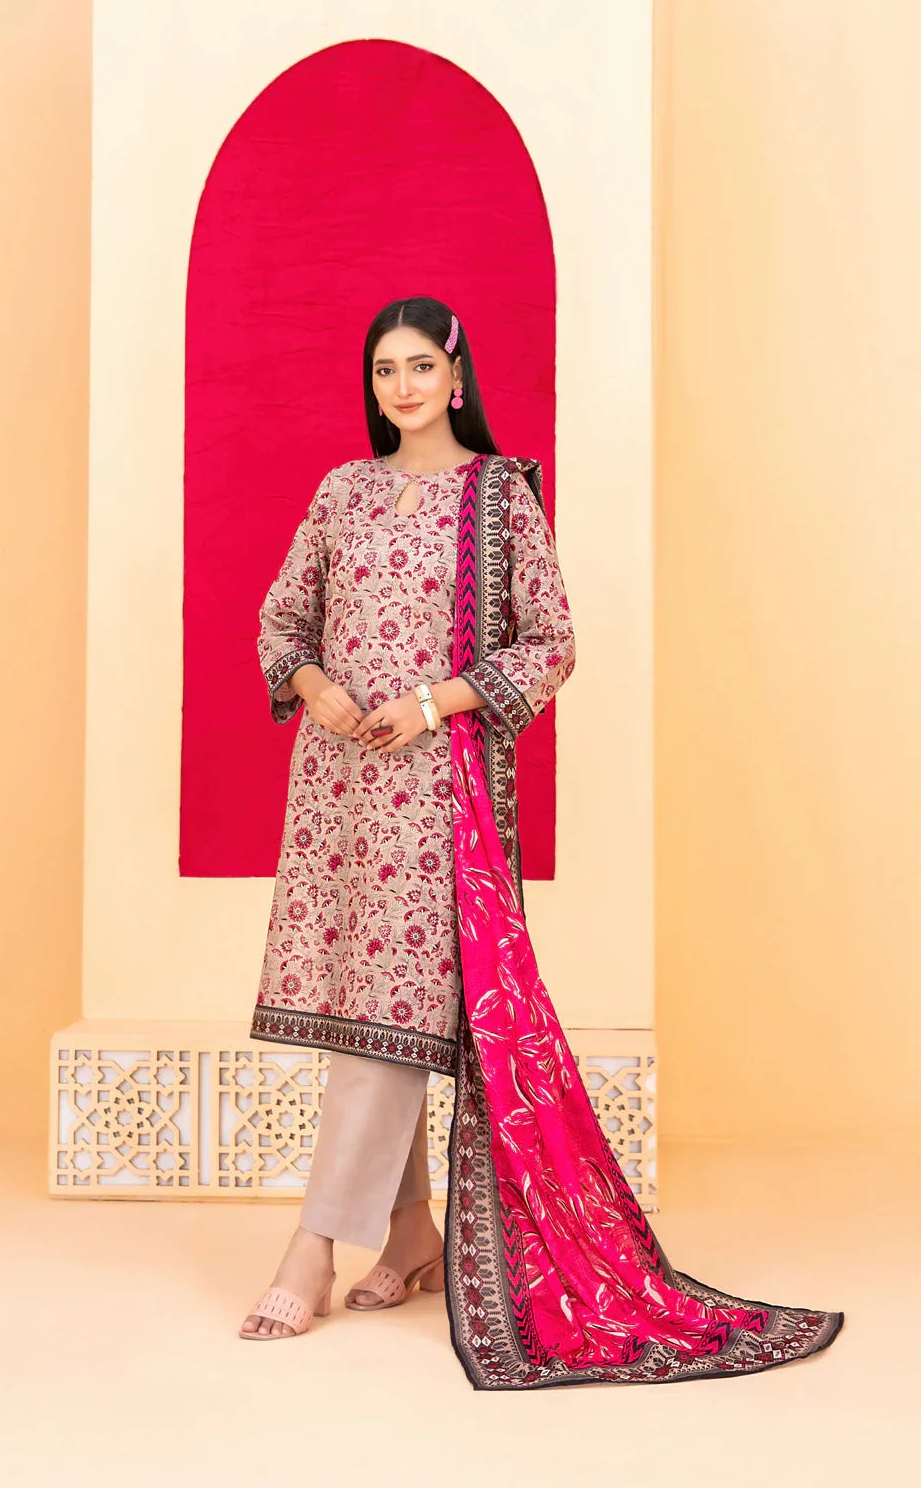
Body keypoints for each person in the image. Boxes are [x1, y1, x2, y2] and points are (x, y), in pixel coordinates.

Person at [239, 297, 844, 1389]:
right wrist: (314, 684)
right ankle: (411, 1234)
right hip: (339, 795)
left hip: (440, 795)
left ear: (456, 376)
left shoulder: (499, 495)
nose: (401, 387)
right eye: (383, 370)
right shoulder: (341, 491)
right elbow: (282, 619)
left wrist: (432, 702)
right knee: (377, 1011)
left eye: (419, 367)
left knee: (389, 1017)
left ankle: (312, 1246)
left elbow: (551, 642)